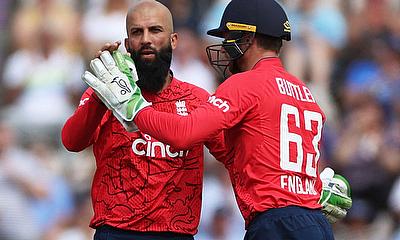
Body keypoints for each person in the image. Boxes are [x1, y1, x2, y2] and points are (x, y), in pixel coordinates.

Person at [83, 0, 353, 239]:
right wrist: (314, 186)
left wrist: (134, 106)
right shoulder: (304, 92)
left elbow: (185, 134)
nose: (224, 48)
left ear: (247, 39)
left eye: (229, 38)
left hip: (275, 223)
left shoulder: (245, 84)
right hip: (316, 221)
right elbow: (269, 158)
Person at [61, 1, 226, 239]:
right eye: (137, 32)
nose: (146, 39)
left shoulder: (197, 99)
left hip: (175, 232)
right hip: (116, 231)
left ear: (174, 40)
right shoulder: (105, 93)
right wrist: (101, 95)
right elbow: (71, 141)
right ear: (127, 44)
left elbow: (229, 154)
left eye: (155, 30)